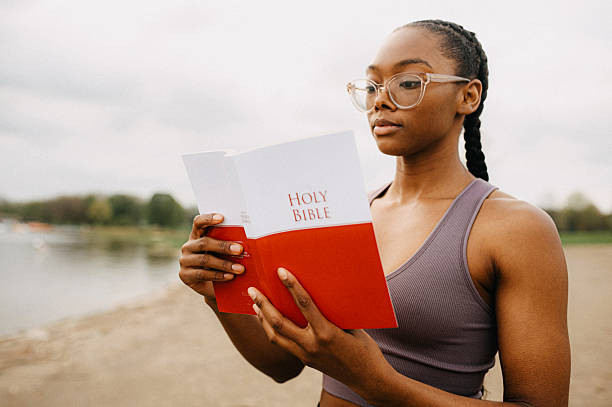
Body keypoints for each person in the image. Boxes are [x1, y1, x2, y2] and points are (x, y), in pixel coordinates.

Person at [178, 19, 571, 406]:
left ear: (467, 97)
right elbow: (283, 365)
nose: (381, 99)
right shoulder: (345, 213)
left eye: (408, 83)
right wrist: (217, 294)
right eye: (372, 85)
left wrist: (375, 382)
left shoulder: (515, 228)